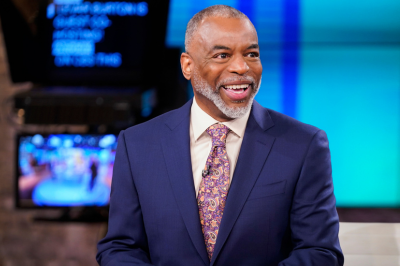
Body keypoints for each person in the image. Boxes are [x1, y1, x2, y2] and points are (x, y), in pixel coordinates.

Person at [96, 5, 344, 266]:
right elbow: (121, 247)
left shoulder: (304, 145)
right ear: (188, 66)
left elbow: (320, 252)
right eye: (222, 55)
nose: (241, 67)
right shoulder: (137, 145)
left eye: (251, 54)